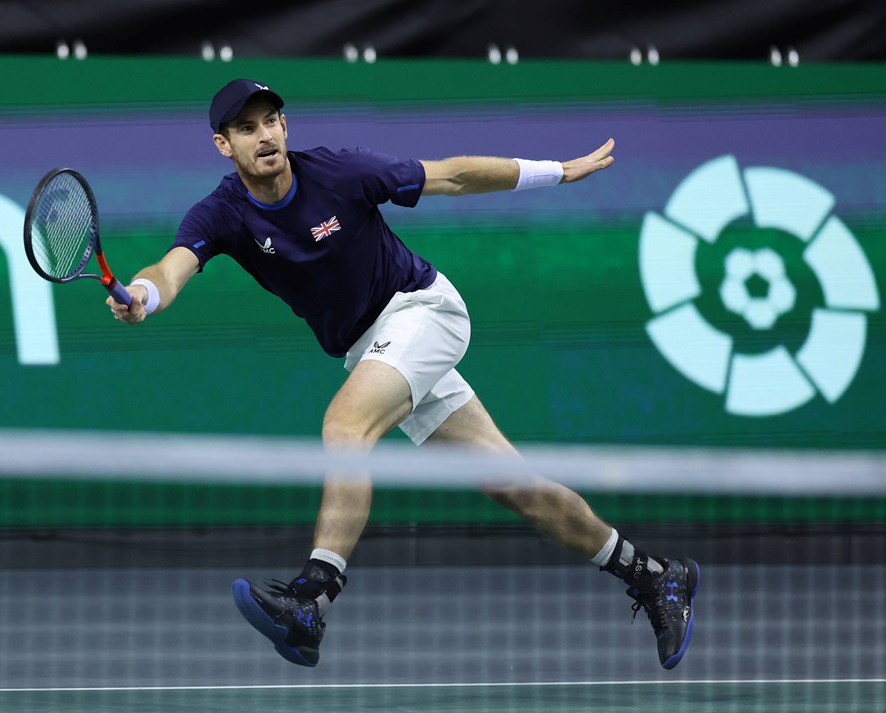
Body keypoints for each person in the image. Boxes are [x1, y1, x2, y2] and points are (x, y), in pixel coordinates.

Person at [108, 78, 699, 671]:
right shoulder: (223, 213)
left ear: (286, 127)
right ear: (223, 145)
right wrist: (143, 296)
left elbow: (452, 175)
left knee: (345, 426)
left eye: (271, 121)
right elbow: (171, 268)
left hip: (423, 312)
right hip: (374, 350)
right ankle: (656, 576)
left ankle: (312, 601)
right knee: (512, 485)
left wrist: (555, 171)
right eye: (246, 128)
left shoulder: (340, 173)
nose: (264, 135)